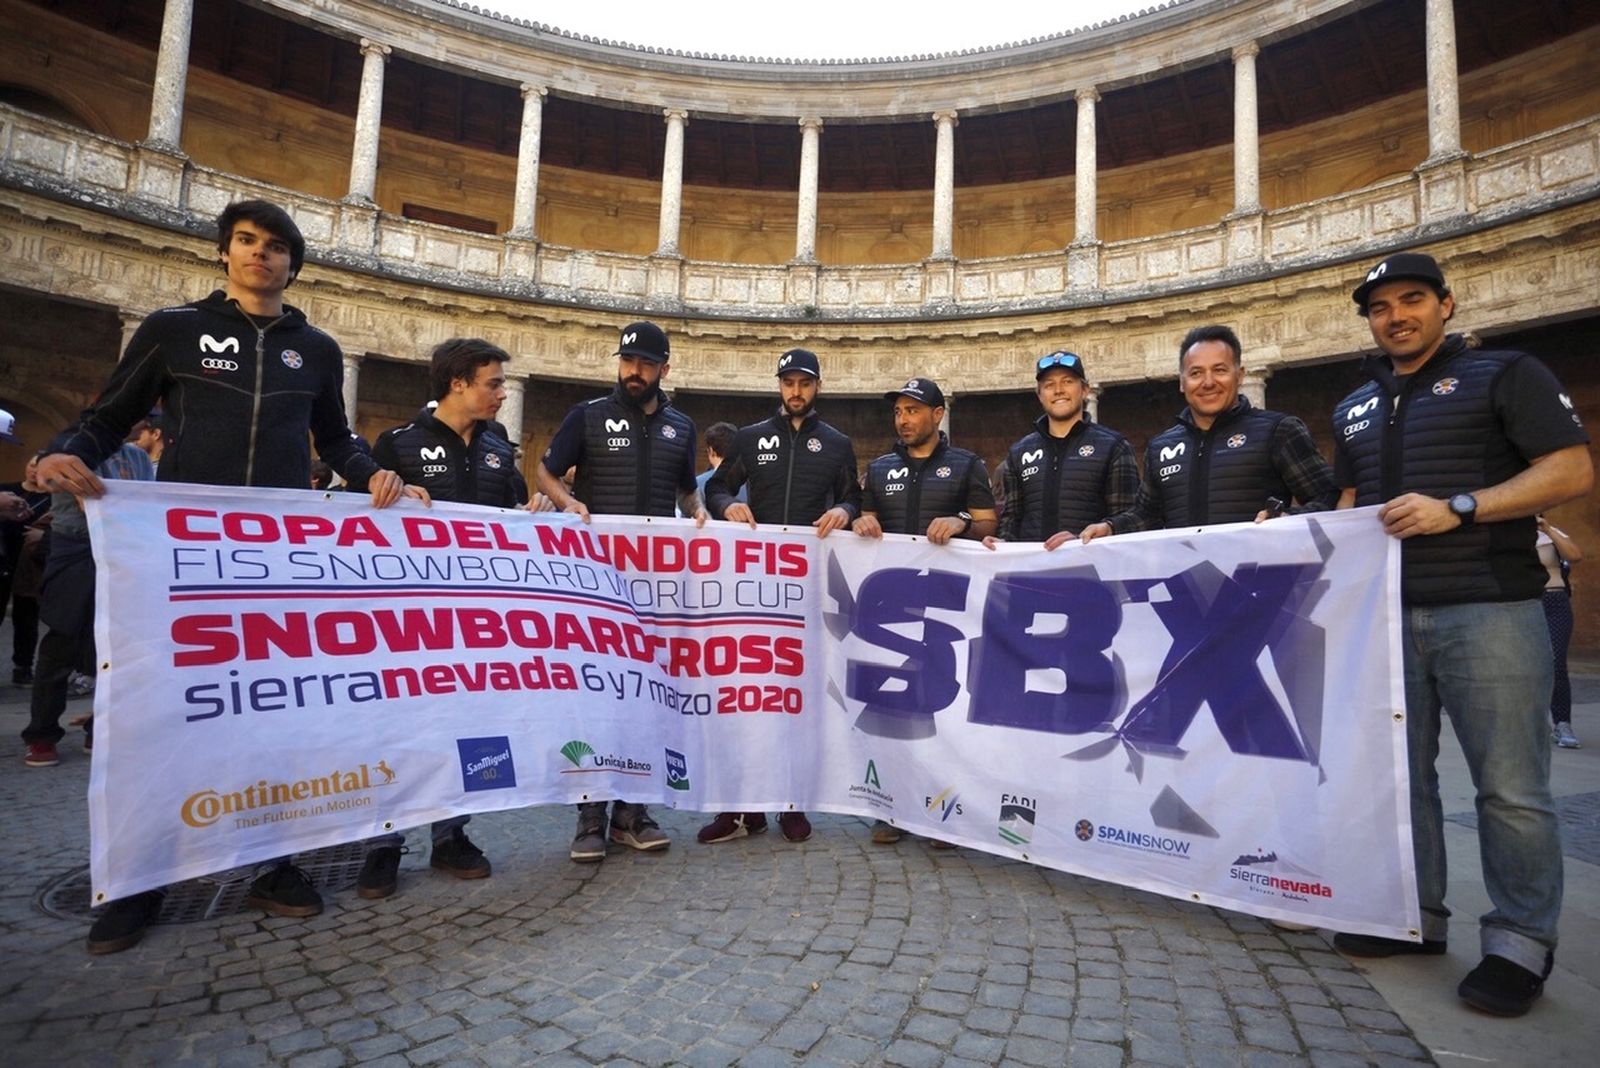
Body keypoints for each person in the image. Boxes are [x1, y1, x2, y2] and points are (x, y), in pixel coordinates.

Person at [32, 198, 425, 954]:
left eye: (276, 246)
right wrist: (60, 451)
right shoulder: (173, 330)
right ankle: (136, 880)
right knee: (154, 710)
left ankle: (272, 862)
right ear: (224, 252)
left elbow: (336, 439)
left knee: (271, 712)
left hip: (273, 558)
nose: (261, 255)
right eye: (246, 241)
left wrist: (378, 477)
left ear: (292, 262)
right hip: (181, 552)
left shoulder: (315, 349)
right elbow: (109, 416)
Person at [1328, 252, 1591, 1017]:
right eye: (1381, 307)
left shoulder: (1506, 373)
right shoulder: (1355, 406)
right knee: (1402, 780)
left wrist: (1463, 506)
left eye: (1412, 300)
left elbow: (1571, 470)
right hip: (1383, 619)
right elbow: (1348, 506)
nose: (1397, 316)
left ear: (1447, 304)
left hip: (1490, 608)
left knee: (1510, 786)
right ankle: (1418, 919)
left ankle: (1519, 942)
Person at [356, 338, 525, 899]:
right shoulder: (398, 444)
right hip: (410, 619)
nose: (502, 393)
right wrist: (386, 490)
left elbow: (516, 515)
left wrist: (538, 512)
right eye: (494, 383)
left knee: (467, 724)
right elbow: (359, 521)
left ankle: (452, 834)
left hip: (478, 618)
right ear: (458, 384)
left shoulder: (500, 446)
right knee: (399, 726)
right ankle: (383, 844)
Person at [535, 320, 706, 863]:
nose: (634, 372)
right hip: (596, 579)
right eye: (627, 362)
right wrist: (567, 503)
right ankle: (590, 813)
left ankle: (633, 812)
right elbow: (546, 472)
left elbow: (685, 491)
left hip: (655, 584)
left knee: (646, 694)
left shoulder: (681, 426)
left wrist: (702, 515)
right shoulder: (587, 416)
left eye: (645, 364)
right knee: (596, 694)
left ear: (664, 368)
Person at [699, 348, 861, 846]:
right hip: (754, 585)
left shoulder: (836, 444)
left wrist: (846, 512)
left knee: (798, 695)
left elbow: (852, 495)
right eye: (788, 382)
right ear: (778, 386)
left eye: (805, 383)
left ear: (817, 388)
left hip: (808, 582)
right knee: (744, 694)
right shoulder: (750, 438)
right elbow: (717, 489)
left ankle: (793, 802)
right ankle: (739, 808)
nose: (796, 391)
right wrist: (727, 507)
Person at [853, 376, 997, 845]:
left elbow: (989, 522)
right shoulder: (878, 469)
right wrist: (863, 518)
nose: (903, 419)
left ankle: (943, 813)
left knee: (944, 713)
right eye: (898, 412)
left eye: (913, 410)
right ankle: (891, 809)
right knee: (894, 709)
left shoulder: (965, 464)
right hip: (891, 611)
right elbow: (862, 516)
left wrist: (961, 521)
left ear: (938, 415)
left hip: (945, 611)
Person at [1081, 325, 1337, 543]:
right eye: (1196, 373)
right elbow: (1148, 514)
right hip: (1188, 585)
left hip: (1260, 584)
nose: (1208, 382)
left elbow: (1329, 497)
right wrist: (1111, 527)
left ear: (1240, 375)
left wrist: (1288, 518)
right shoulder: (1161, 447)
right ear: (1181, 382)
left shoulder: (1279, 430)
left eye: (1220, 370)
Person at [21, 433, 154, 767]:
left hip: (123, 549)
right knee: (60, 642)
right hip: (75, 547)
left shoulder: (135, 456)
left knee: (115, 645)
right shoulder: (69, 446)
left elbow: (148, 495)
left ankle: (102, 728)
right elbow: (37, 475)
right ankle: (41, 734)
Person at [982, 351, 1138, 552]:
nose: (1058, 390)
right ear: (1040, 396)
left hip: (1092, 571)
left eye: (1067, 382)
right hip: (1031, 571)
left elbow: (1132, 516)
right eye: (1049, 385)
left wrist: (1083, 539)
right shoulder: (1019, 452)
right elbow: (1012, 517)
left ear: (1084, 390)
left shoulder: (1114, 446)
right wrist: (1002, 542)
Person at [1537, 516, 1583, 749]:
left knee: (1556, 664)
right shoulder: (1505, 535)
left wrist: (1548, 530)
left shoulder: (1550, 532)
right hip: (1523, 603)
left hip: (1554, 600)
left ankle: (1562, 723)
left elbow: (1574, 555)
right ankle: (1531, 725)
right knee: (1520, 666)